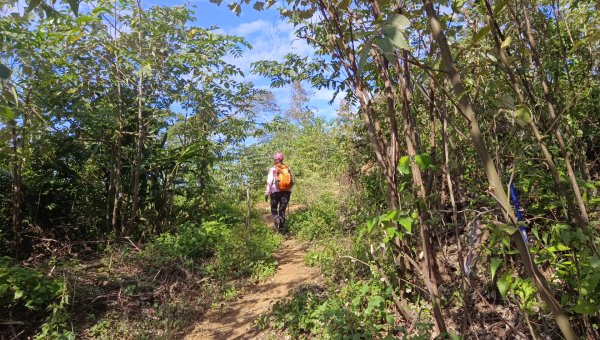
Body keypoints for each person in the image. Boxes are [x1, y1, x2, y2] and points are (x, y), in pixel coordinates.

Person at [265, 152, 294, 233]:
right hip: (286, 192)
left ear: (275, 159)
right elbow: (291, 181)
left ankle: (276, 218)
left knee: (274, 208)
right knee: (282, 210)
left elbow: (269, 181)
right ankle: (281, 229)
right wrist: (289, 190)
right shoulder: (287, 168)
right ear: (282, 159)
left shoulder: (273, 169)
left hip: (275, 192)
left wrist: (267, 193)